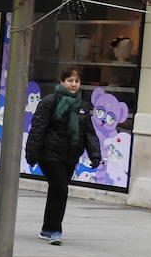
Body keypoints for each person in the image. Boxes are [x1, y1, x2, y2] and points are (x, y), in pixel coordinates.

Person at [25, 66, 102, 245]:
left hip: (70, 155)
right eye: (69, 81)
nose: (73, 84)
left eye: (76, 81)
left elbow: (88, 132)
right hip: (49, 154)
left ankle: (46, 228)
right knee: (61, 189)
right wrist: (32, 154)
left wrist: (95, 155)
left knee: (56, 190)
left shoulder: (82, 106)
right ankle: (55, 230)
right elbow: (38, 128)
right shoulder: (49, 102)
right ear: (62, 82)